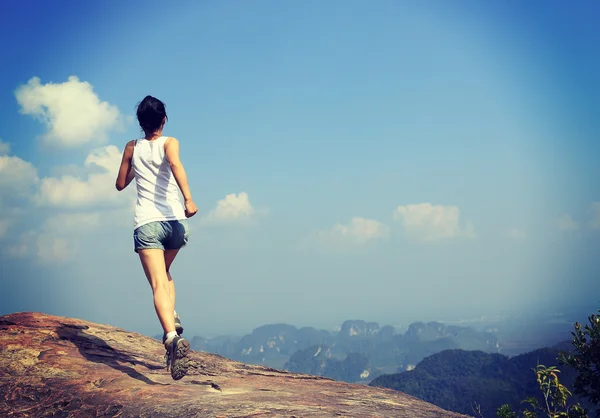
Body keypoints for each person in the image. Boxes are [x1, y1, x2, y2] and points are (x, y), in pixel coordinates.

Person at [115, 95, 198, 380]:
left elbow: (120, 184)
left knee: (157, 282)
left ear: (140, 123)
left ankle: (172, 339)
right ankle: (172, 315)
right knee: (165, 274)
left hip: (148, 223)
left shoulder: (131, 147)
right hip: (176, 223)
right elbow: (175, 166)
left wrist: (136, 165)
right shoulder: (170, 142)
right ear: (164, 119)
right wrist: (188, 200)